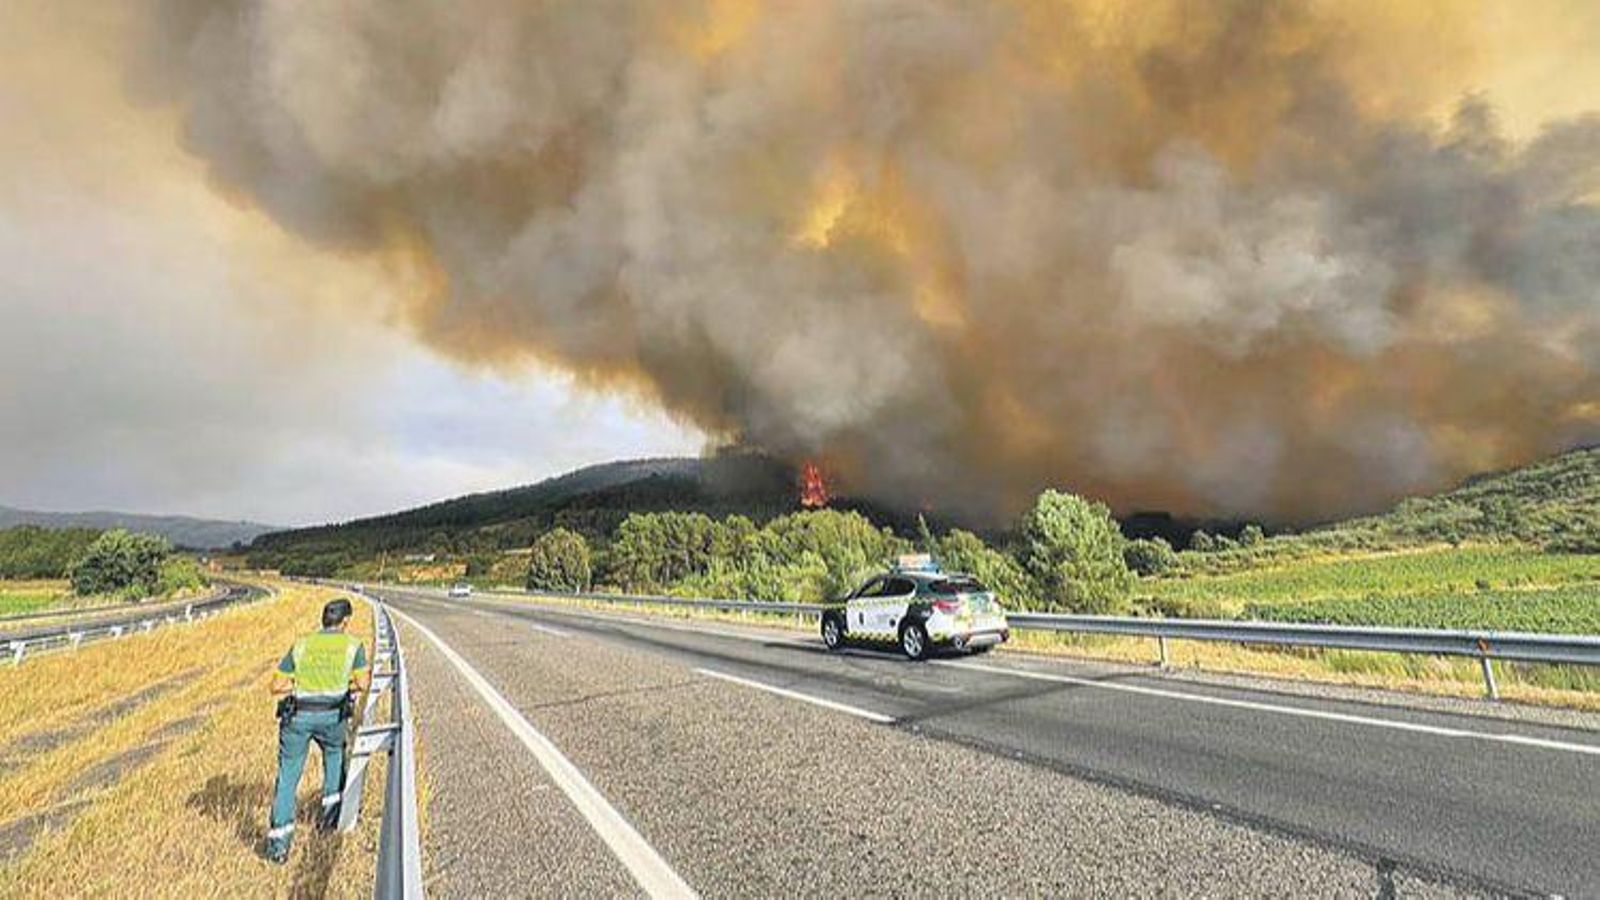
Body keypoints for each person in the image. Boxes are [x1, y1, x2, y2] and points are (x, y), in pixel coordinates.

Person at [264, 597, 370, 864]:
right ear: (345, 621)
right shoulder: (353, 646)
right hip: (332, 716)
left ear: (324, 620)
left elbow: (276, 686)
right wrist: (342, 687)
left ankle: (278, 845)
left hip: (297, 716)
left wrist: (302, 688)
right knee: (334, 761)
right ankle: (329, 821)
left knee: (288, 776)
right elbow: (363, 682)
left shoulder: (301, 645)